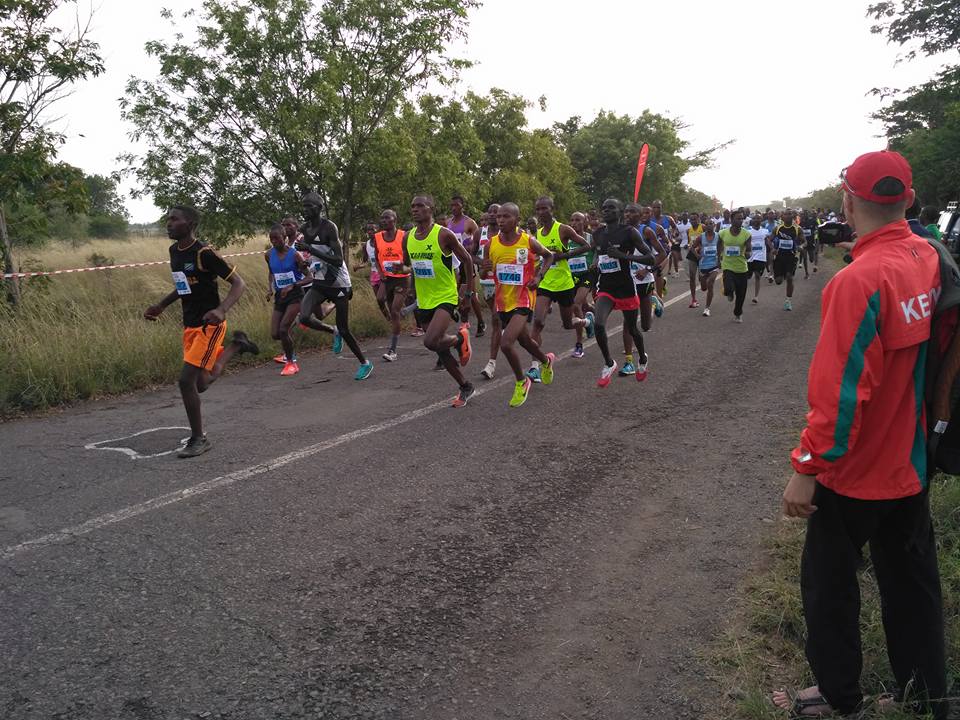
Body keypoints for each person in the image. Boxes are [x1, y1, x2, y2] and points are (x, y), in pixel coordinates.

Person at [774, 150, 947, 720]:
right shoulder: (928, 255)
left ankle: (838, 697)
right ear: (909, 200)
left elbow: (841, 394)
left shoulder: (858, 281)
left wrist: (807, 468)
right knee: (912, 583)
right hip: (912, 460)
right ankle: (925, 695)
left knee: (828, 586)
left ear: (848, 202)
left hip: (855, 472)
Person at [144, 206, 258, 458]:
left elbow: (239, 283)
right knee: (201, 384)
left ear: (190, 224)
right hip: (190, 325)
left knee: (186, 381)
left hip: (210, 325)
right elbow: (183, 286)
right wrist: (161, 305)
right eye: (168, 219)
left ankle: (199, 439)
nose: (169, 223)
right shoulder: (174, 251)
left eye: (175, 219)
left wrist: (221, 310)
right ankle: (237, 346)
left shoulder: (204, 253)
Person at [401, 194, 476, 407]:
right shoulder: (407, 237)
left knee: (430, 341)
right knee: (439, 349)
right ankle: (465, 386)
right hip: (424, 299)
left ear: (431, 209)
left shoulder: (443, 235)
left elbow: (467, 260)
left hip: (445, 296)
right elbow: (410, 265)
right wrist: (405, 278)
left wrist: (468, 294)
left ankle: (460, 339)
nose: (415, 209)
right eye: (412, 206)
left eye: (420, 205)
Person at [484, 202, 557, 407]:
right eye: (499, 216)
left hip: (524, 298)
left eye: (506, 216)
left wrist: (539, 277)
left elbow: (549, 256)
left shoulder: (528, 241)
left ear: (517, 219)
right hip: (503, 300)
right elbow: (484, 272)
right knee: (525, 341)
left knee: (506, 343)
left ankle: (521, 381)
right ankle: (545, 360)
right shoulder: (490, 244)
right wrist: (484, 267)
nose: (500, 220)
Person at [296, 192, 373, 380]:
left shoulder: (329, 228)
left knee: (345, 329)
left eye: (309, 206)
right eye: (303, 206)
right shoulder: (304, 229)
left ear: (319, 208)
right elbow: (313, 255)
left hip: (338, 282)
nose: (305, 210)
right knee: (304, 317)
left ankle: (365, 363)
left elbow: (338, 260)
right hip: (320, 281)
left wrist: (310, 249)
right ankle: (333, 331)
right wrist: (306, 262)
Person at [527, 196, 594, 382]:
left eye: (544, 209)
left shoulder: (563, 229)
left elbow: (586, 246)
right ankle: (535, 367)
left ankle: (587, 322)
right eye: (538, 209)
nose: (541, 212)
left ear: (552, 209)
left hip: (564, 283)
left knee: (567, 324)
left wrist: (564, 255)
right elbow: (540, 258)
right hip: (546, 283)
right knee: (537, 322)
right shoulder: (537, 234)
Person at [591, 198, 655, 386]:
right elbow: (598, 254)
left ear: (619, 212)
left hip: (626, 287)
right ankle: (609, 363)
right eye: (604, 208)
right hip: (606, 287)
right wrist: (595, 264)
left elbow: (650, 258)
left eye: (611, 208)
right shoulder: (598, 234)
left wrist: (622, 256)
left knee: (633, 329)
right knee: (598, 324)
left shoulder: (629, 232)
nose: (606, 210)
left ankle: (642, 358)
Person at [620, 203, 667, 375]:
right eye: (626, 212)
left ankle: (654, 303)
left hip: (644, 281)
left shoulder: (646, 231)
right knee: (628, 322)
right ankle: (628, 362)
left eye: (632, 212)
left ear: (640, 216)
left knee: (645, 326)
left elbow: (662, 253)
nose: (628, 215)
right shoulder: (620, 231)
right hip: (627, 282)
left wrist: (647, 269)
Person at [265, 223, 309, 375]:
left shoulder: (295, 255)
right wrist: (270, 288)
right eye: (271, 239)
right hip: (280, 296)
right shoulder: (268, 255)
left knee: (283, 329)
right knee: (275, 334)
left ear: (284, 237)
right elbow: (271, 272)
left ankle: (291, 362)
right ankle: (298, 320)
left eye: (277, 238)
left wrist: (292, 285)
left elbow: (310, 277)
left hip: (295, 294)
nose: (274, 242)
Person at [374, 209, 409, 362]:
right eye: (382, 218)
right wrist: (381, 272)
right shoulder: (377, 237)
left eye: (387, 218)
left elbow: (410, 260)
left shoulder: (403, 236)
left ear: (395, 219)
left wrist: (403, 268)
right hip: (387, 278)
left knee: (395, 310)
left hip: (402, 279)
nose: (384, 220)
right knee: (379, 299)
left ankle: (393, 350)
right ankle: (398, 317)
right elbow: (376, 258)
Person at [447, 195, 485, 336]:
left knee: (471, 295)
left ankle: (480, 322)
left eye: (456, 205)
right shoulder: (448, 222)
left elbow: (479, 240)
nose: (454, 208)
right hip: (453, 263)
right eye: (452, 205)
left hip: (466, 263)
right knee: (455, 292)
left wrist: (470, 249)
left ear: (462, 206)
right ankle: (464, 319)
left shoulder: (469, 222)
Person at [475, 203, 502, 379]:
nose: (492, 214)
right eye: (490, 212)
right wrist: (482, 263)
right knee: (499, 320)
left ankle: (491, 363)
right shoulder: (480, 233)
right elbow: (470, 254)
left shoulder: (508, 233)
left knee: (495, 319)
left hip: (505, 283)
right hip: (486, 282)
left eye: (496, 212)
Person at [568, 211, 597, 359]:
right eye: (572, 220)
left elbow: (599, 253)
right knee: (584, 306)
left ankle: (579, 344)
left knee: (576, 304)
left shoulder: (591, 238)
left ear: (585, 222)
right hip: (572, 276)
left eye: (578, 220)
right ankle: (594, 316)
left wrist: (595, 262)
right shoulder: (566, 240)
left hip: (587, 275)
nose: (574, 223)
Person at [719, 210, 751, 322]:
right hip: (728, 266)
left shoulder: (746, 234)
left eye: (742, 218)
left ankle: (738, 313)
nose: (741, 220)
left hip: (741, 267)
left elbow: (749, 249)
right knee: (728, 288)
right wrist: (718, 257)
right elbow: (719, 245)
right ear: (732, 220)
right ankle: (729, 292)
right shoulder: (723, 233)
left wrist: (748, 253)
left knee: (741, 295)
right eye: (738, 218)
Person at [771, 208, 803, 310]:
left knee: (789, 277)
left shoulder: (797, 229)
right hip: (779, 256)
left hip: (791, 256)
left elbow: (804, 241)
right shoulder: (777, 228)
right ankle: (782, 274)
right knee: (778, 281)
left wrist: (801, 246)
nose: (788, 216)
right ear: (782, 217)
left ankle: (788, 301)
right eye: (786, 214)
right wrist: (772, 248)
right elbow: (769, 239)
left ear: (793, 216)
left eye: (790, 214)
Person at [690, 217, 721, 317]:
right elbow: (692, 248)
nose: (709, 226)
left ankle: (707, 308)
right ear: (705, 226)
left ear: (714, 225)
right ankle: (706, 287)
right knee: (704, 288)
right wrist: (697, 255)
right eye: (707, 224)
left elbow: (721, 247)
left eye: (711, 223)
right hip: (703, 265)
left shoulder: (718, 236)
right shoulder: (701, 237)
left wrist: (720, 258)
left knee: (710, 283)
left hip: (714, 265)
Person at [746, 213, 772, 304]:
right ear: (752, 220)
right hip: (750, 257)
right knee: (747, 277)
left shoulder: (765, 231)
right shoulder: (748, 231)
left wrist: (772, 248)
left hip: (761, 257)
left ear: (761, 220)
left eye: (759, 218)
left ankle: (756, 296)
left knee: (757, 275)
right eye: (755, 218)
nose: (757, 220)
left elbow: (768, 242)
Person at [685, 212, 704, 308]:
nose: (693, 221)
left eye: (695, 219)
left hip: (702, 255)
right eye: (691, 219)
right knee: (692, 277)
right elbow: (690, 243)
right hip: (692, 254)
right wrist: (689, 246)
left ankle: (704, 283)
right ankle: (693, 299)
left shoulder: (703, 227)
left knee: (702, 279)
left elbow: (708, 239)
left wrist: (700, 248)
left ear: (698, 219)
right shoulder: (688, 230)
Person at [800, 210, 820, 278]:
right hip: (804, 243)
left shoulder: (813, 221)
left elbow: (818, 227)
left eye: (805, 214)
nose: (804, 215)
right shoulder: (801, 223)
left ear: (808, 214)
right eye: (803, 214)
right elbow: (799, 232)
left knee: (811, 259)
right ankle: (806, 273)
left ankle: (814, 263)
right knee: (805, 258)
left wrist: (816, 231)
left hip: (811, 242)